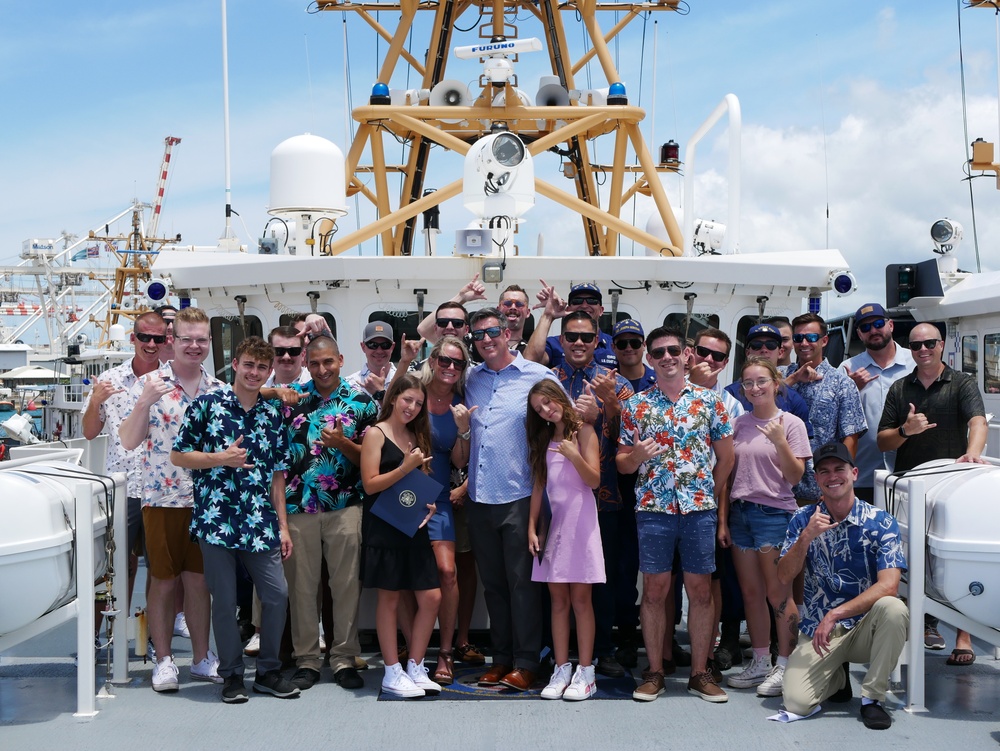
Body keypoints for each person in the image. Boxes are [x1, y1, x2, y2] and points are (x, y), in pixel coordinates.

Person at [170, 336, 299, 703]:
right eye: (248, 365)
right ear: (236, 365)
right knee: (224, 602)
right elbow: (179, 456)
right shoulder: (207, 406)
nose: (254, 372)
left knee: (276, 595)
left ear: (269, 371)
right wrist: (219, 459)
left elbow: (278, 476)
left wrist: (284, 526)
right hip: (217, 518)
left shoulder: (273, 414)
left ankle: (268, 671)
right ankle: (231, 675)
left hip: (260, 520)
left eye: (261, 367)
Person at [617, 326, 734, 703]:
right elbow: (622, 464)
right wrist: (636, 457)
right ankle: (653, 672)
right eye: (658, 353)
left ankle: (700, 673)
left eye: (673, 350)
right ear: (649, 360)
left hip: (698, 510)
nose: (666, 357)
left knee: (701, 592)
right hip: (654, 510)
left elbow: (727, 457)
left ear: (687, 355)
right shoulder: (635, 406)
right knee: (653, 592)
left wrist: (709, 498)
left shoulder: (710, 402)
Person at [119, 306, 222, 693]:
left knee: (198, 582)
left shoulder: (219, 390)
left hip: (207, 501)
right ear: (171, 342)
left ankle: (199, 658)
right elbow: (129, 441)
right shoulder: (152, 385)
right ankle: (163, 661)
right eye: (186, 339)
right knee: (162, 581)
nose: (194, 346)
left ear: (208, 343)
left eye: (201, 339)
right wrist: (144, 402)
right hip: (162, 498)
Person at [876, 322, 987, 664]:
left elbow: (978, 422)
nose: (922, 350)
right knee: (911, 561)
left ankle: (964, 636)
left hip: (953, 487)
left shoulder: (962, 383)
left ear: (941, 345)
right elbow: (883, 439)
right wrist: (906, 431)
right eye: (916, 345)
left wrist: (972, 455)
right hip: (912, 485)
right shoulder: (899, 388)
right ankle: (922, 624)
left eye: (929, 343)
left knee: (953, 560)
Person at [777, 442, 908, 730]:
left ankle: (872, 699)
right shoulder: (802, 519)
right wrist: (806, 537)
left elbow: (889, 586)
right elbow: (784, 576)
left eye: (839, 469)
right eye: (824, 471)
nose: (832, 476)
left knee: (894, 609)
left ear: (854, 473)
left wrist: (836, 614)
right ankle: (837, 675)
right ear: (817, 479)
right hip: (819, 631)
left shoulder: (881, 522)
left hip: (863, 627)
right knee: (796, 702)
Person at [465, 307, 560, 691]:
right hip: (478, 496)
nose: (486, 340)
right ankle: (501, 658)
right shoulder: (470, 377)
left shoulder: (539, 376)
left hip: (521, 495)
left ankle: (527, 661)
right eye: (478, 335)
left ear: (508, 333)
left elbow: (561, 425)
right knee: (493, 585)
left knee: (523, 584)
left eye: (492, 332)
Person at [281, 335, 377, 691]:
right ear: (308, 363)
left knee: (346, 586)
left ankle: (343, 657)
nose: (322, 370)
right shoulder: (291, 399)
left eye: (329, 362)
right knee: (302, 588)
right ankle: (306, 659)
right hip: (297, 506)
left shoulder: (362, 403)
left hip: (345, 506)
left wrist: (343, 444)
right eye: (315, 363)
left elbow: (371, 460)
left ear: (340, 359)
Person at [550, 310, 634, 678]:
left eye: (586, 337)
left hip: (605, 496)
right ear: (562, 340)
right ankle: (556, 653)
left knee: (602, 579)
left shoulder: (615, 382)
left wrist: (607, 408)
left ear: (598, 340)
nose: (579, 343)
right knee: (555, 581)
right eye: (571, 336)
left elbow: (631, 435)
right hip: (559, 498)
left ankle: (602, 649)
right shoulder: (549, 381)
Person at [721, 358, 811, 698]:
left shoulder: (791, 424)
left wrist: (779, 441)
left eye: (761, 381)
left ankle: (784, 664)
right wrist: (723, 520)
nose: (755, 388)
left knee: (778, 595)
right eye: (748, 383)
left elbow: (796, 477)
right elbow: (729, 476)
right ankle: (760, 661)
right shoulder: (739, 424)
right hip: (741, 515)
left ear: (776, 383)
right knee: (751, 594)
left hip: (774, 515)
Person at [359, 373, 442, 698]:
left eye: (418, 403)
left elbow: (414, 483)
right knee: (390, 598)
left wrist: (429, 504)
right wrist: (406, 468)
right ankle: (392, 671)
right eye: (408, 399)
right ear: (393, 398)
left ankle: (415, 666)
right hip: (384, 525)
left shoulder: (415, 434)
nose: (412, 407)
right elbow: (370, 484)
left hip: (413, 524)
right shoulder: (376, 434)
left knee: (432, 596)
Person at [82, 312, 168, 614]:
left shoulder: (173, 380)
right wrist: (95, 401)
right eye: (145, 337)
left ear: (166, 340)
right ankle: (106, 635)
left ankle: (159, 639)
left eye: (158, 338)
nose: (151, 343)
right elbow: (90, 432)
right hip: (122, 486)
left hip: (162, 489)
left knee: (162, 571)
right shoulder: (109, 381)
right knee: (113, 565)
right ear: (133, 338)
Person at [527, 380, 604, 701]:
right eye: (539, 408)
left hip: (581, 525)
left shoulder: (584, 432)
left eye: (548, 401)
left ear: (560, 397)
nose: (546, 409)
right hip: (553, 528)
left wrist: (573, 455)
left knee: (581, 601)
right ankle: (561, 668)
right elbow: (539, 487)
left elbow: (594, 480)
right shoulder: (544, 439)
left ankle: (586, 672)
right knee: (558, 601)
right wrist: (532, 526)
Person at [413, 336, 475, 684]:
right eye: (445, 360)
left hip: (438, 498)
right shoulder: (413, 393)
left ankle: (446, 651)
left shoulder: (460, 404)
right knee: (406, 578)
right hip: (406, 494)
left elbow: (459, 461)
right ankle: (414, 652)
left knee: (447, 572)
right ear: (433, 359)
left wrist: (463, 430)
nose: (451, 367)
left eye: (459, 363)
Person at [784, 313, 867, 504]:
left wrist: (838, 484)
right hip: (778, 489)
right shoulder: (782, 377)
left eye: (811, 337)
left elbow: (850, 437)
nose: (804, 343)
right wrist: (793, 379)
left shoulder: (842, 383)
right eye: (798, 338)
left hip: (818, 491)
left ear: (824, 341)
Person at [609, 318, 654, 667]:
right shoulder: (607, 382)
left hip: (659, 486)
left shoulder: (662, 381)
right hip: (621, 485)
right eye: (621, 343)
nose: (628, 349)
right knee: (624, 565)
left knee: (664, 566)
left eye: (634, 342)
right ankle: (625, 634)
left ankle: (664, 640)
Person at [837, 304, 914, 504]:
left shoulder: (915, 362)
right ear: (859, 335)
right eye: (865, 328)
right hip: (863, 476)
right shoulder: (847, 369)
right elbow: (832, 417)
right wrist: (851, 388)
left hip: (912, 474)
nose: (873, 330)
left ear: (890, 325)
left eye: (878, 324)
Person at [725, 323, 812, 433]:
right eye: (757, 345)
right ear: (747, 352)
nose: (764, 349)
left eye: (771, 345)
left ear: (780, 352)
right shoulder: (729, 395)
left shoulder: (794, 400)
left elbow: (802, 446)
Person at [524, 281, 617, 369]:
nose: (584, 305)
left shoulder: (616, 345)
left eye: (592, 300)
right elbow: (529, 362)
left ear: (601, 310)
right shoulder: (554, 344)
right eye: (577, 301)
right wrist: (547, 316)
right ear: (568, 310)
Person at [346, 320, 397, 404]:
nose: (379, 351)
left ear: (392, 347)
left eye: (385, 345)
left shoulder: (406, 380)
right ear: (363, 347)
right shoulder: (349, 384)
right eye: (372, 345)